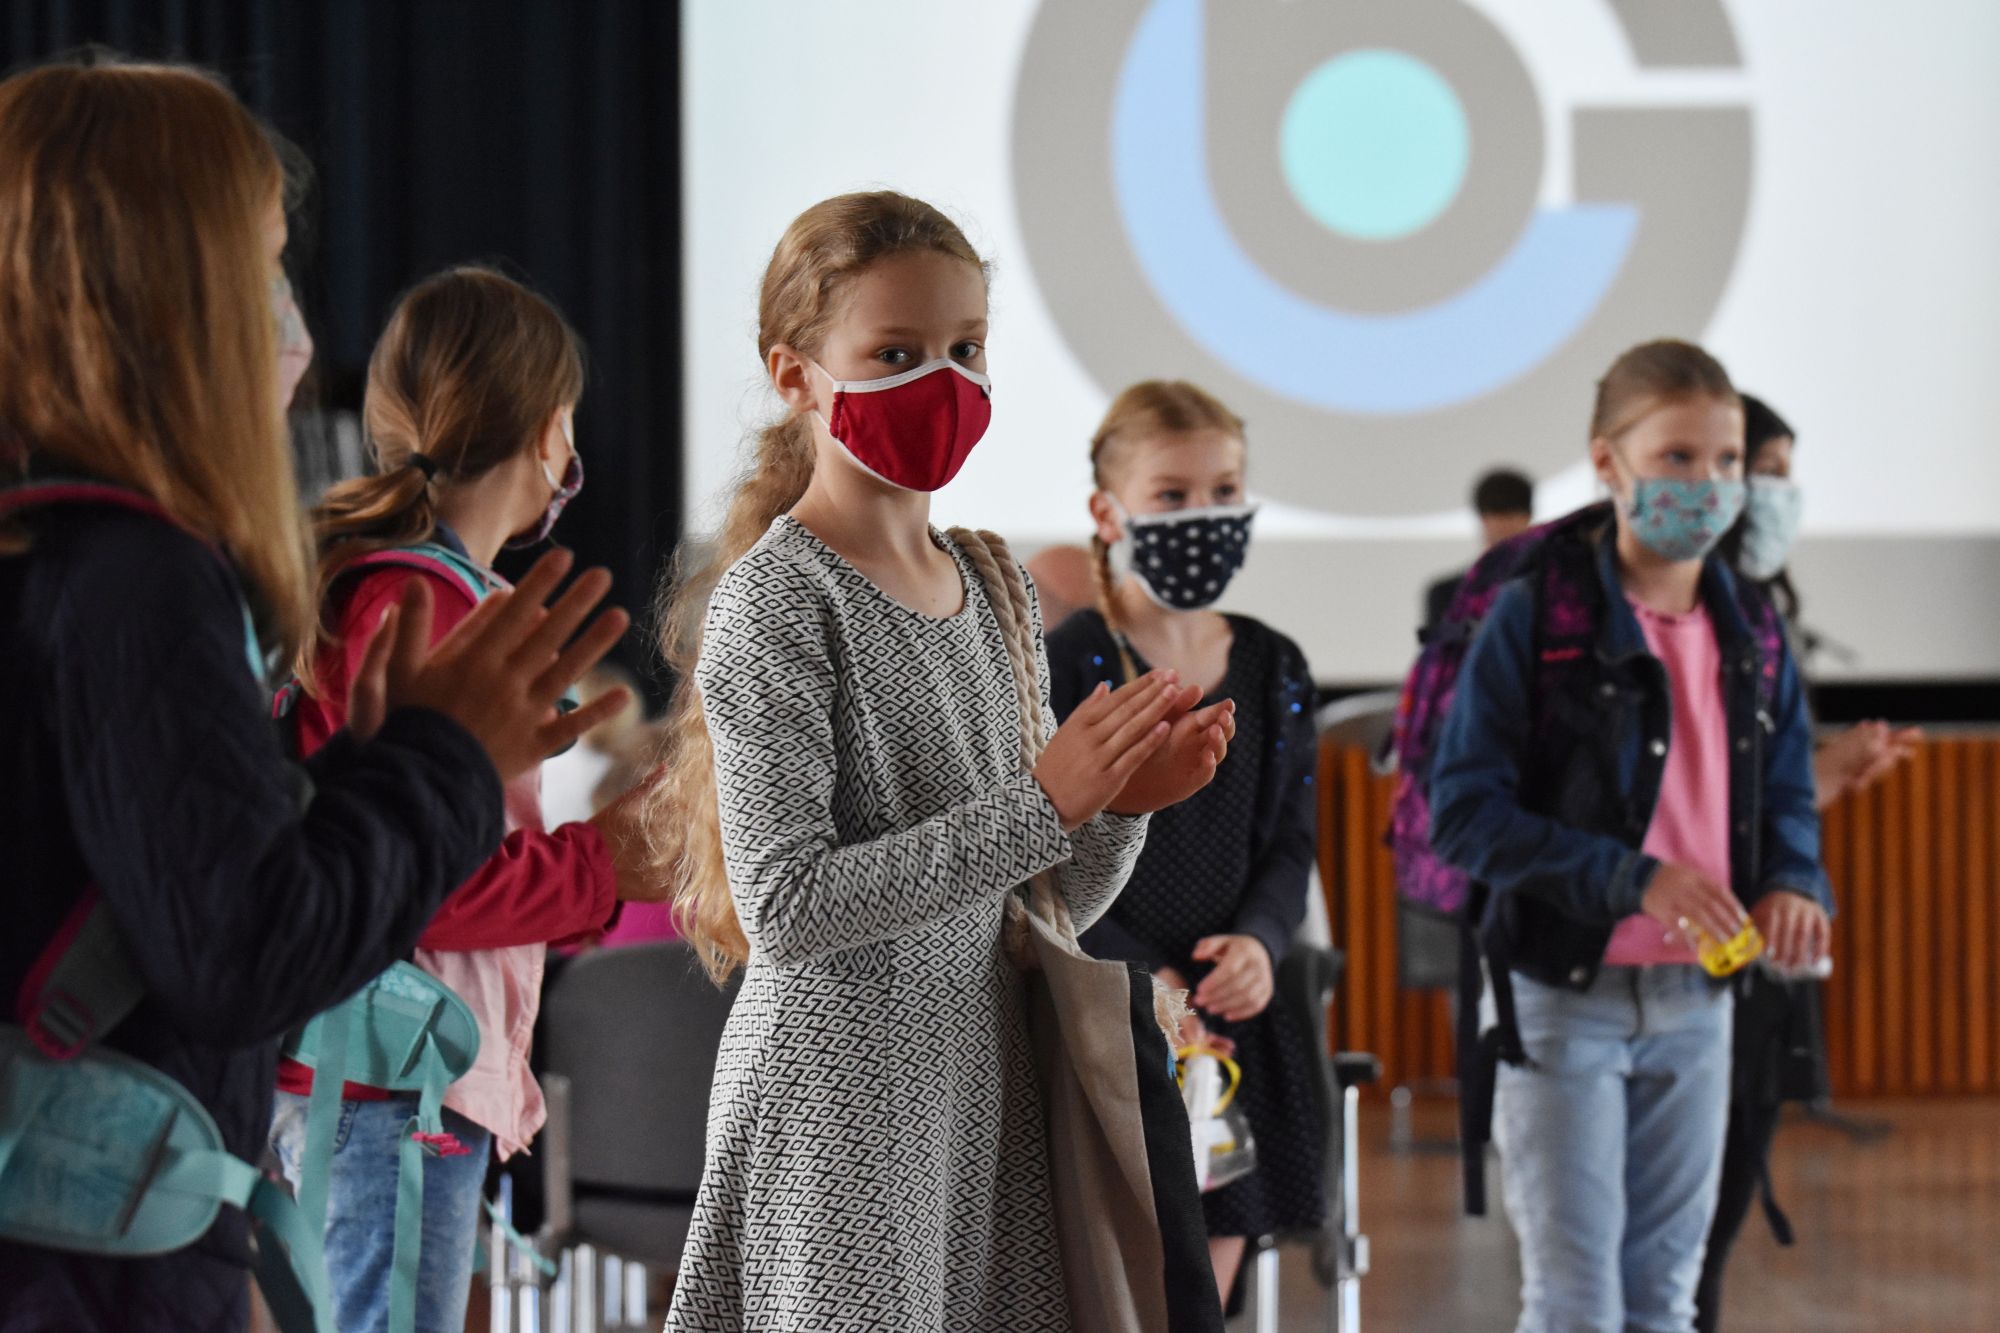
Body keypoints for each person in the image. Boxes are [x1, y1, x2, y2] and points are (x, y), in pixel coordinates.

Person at [0, 59, 626, 1332]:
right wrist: (445, 761)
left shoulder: (60, 552)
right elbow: (245, 948)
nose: (286, 316)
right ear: (173, 293)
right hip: (93, 1270)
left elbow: (183, 874)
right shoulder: (138, 581)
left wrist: (366, 781)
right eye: (265, 263)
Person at [647, 190, 1234, 1329]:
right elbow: (787, 906)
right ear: (795, 376)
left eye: (967, 349)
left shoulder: (993, 581)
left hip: (980, 1092)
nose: (945, 382)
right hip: (840, 1112)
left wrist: (1119, 806)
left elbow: (1032, 908)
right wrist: (1045, 804)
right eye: (896, 353)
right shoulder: (778, 597)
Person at [265, 266, 659, 1333]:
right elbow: (425, 876)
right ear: (550, 431)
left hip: (387, 1073)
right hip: (388, 1081)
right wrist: (602, 866)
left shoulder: (408, 589)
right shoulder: (421, 602)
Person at [1427, 340, 1831, 1332]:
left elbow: (1786, 790)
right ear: (1607, 463)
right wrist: (1633, 879)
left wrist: (1794, 880)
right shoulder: (1535, 615)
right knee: (1575, 1298)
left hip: (1701, 999)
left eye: (1726, 459)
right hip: (1561, 997)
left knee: (1666, 1296)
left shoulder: (1754, 630)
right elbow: (1463, 815)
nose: (1708, 484)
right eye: (1675, 458)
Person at [1042, 380, 1323, 1305]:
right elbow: (1044, 854)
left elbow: (1290, 843)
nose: (1203, 514)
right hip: (1107, 1005)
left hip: (1229, 1010)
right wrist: (1136, 978)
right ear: (1108, 511)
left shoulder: (1274, 664)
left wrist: (1262, 944)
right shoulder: (1066, 662)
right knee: (1120, 1273)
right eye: (1171, 494)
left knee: (1210, 1269)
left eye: (1223, 490)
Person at [1693, 392, 1919, 1333]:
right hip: (1665, 954)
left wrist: (1819, 782)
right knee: (1656, 1247)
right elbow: (1683, 801)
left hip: (1747, 956)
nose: (1780, 495)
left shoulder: (1764, 615)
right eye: (1766, 472)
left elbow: (1761, 797)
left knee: (1706, 1236)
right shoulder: (1662, 615)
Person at [1423, 467, 1536, 633]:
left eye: (1514, 515)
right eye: (1497, 514)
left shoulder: (1550, 587)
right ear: (1483, 518)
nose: (1505, 525)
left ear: (1527, 517)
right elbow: (1439, 647)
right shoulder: (1448, 593)